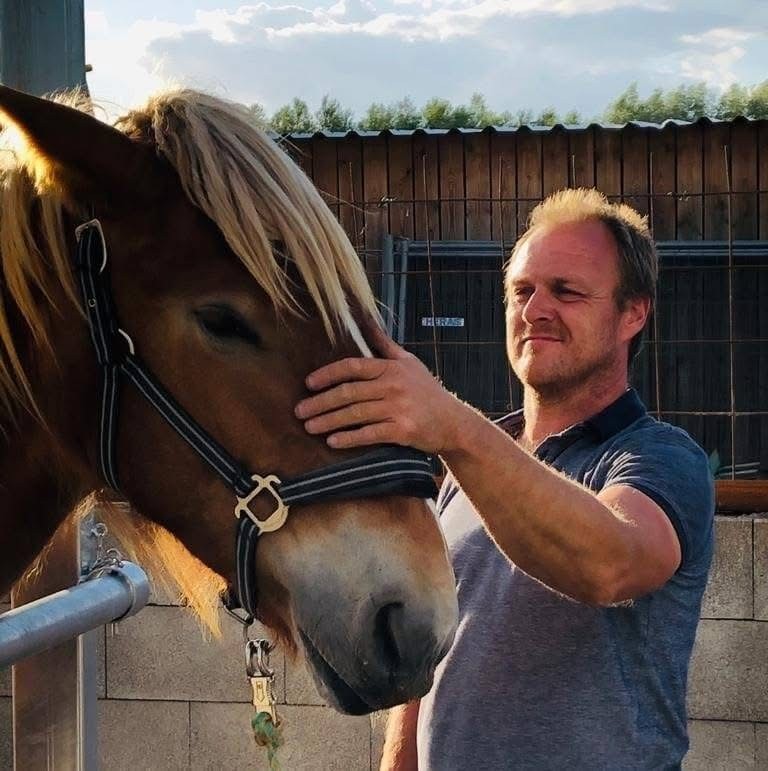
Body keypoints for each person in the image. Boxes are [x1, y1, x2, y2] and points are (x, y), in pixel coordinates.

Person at [294, 188, 715, 770]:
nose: (535, 309)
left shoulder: (660, 457)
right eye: (522, 291)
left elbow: (611, 565)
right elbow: (432, 659)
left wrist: (454, 427)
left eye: (566, 291)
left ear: (632, 314)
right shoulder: (467, 468)